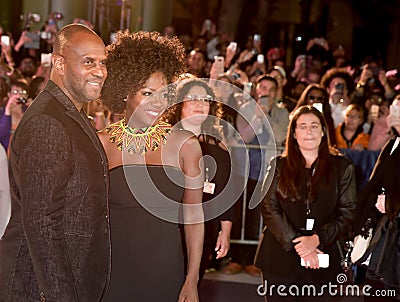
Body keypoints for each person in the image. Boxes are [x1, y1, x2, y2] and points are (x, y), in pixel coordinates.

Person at [0, 24, 110, 302]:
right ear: (59, 63)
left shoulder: (66, 113)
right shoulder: (48, 123)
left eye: (102, 63)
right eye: (88, 62)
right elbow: (41, 223)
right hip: (38, 288)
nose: (99, 71)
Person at [98, 30, 204, 302]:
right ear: (124, 92)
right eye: (147, 92)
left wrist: (192, 279)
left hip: (165, 272)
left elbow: (194, 219)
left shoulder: (186, 146)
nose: (158, 103)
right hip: (110, 272)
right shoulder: (102, 144)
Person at [255, 105, 356, 301]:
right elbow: (268, 207)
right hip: (279, 257)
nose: (308, 131)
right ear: (293, 133)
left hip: (323, 257)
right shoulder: (278, 165)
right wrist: (299, 244)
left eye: (314, 126)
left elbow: (347, 212)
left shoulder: (343, 168)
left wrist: (317, 239)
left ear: (324, 131)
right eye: (302, 126)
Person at [162, 78, 235, 279]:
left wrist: (225, 232)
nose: (199, 104)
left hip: (205, 224)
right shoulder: (163, 139)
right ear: (179, 104)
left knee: (193, 283)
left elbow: (226, 192)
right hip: (166, 224)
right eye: (192, 98)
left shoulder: (218, 147)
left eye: (205, 99)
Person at [354, 99, 400, 300]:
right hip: (381, 238)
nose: (396, 110)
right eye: (395, 106)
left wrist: (391, 202)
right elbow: (372, 188)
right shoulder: (392, 144)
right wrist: (357, 229)